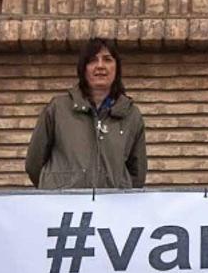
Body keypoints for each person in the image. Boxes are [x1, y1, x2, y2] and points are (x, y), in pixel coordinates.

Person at [26, 38, 146, 189]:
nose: (100, 66)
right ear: (83, 68)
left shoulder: (131, 115)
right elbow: (34, 164)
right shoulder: (58, 109)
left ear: (117, 68)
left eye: (107, 60)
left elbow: (138, 173)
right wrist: (55, 187)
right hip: (63, 207)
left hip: (112, 208)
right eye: (93, 61)